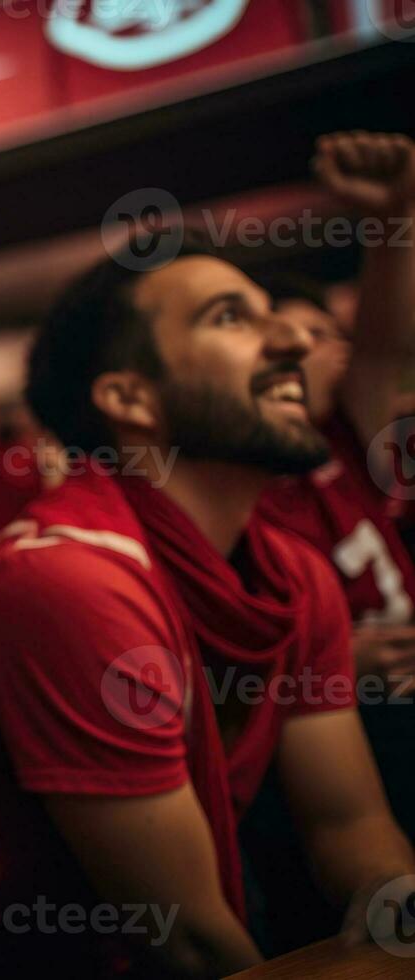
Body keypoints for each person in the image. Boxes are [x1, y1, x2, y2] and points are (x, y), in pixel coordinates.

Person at [0, 234, 415, 977]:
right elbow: (190, 943)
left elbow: (351, 828)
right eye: (232, 317)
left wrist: (399, 916)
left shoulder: (293, 574)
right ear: (129, 397)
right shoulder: (71, 582)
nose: (297, 338)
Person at [243, 131, 415, 952]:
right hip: (331, 737)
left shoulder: (352, 443)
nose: (312, 349)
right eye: (292, 334)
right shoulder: (233, 485)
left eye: (324, 332)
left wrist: (397, 217)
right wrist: (336, 654)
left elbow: (384, 339)